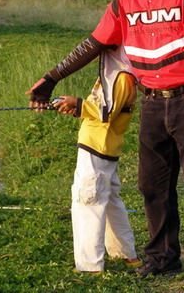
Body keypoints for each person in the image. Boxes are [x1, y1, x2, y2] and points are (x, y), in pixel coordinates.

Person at [26, 0, 184, 288]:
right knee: (152, 187)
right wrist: (51, 78)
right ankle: (164, 258)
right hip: (152, 103)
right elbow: (94, 43)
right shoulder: (124, 0)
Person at [52, 45, 142, 273]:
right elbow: (101, 108)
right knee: (110, 200)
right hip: (101, 146)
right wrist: (77, 108)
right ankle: (126, 254)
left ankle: (89, 266)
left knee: (87, 202)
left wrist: (78, 103)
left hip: (97, 147)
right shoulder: (118, 74)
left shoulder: (121, 77)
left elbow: (107, 112)